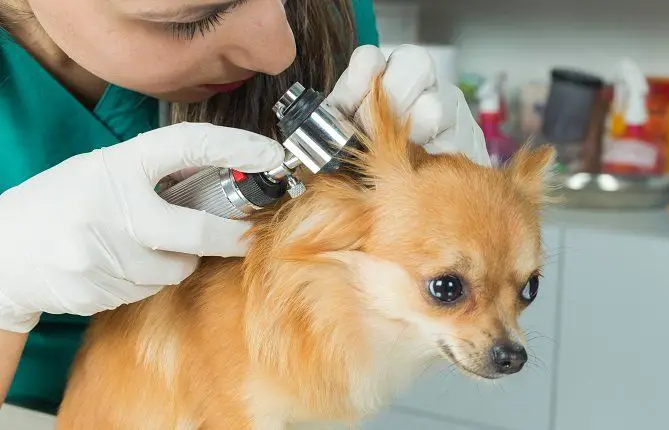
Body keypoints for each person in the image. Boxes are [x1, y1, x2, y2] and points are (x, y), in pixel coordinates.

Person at [0, 0, 491, 416]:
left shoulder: (324, 14)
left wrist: (439, 210)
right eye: (193, 20)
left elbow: (332, 353)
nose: (279, 51)